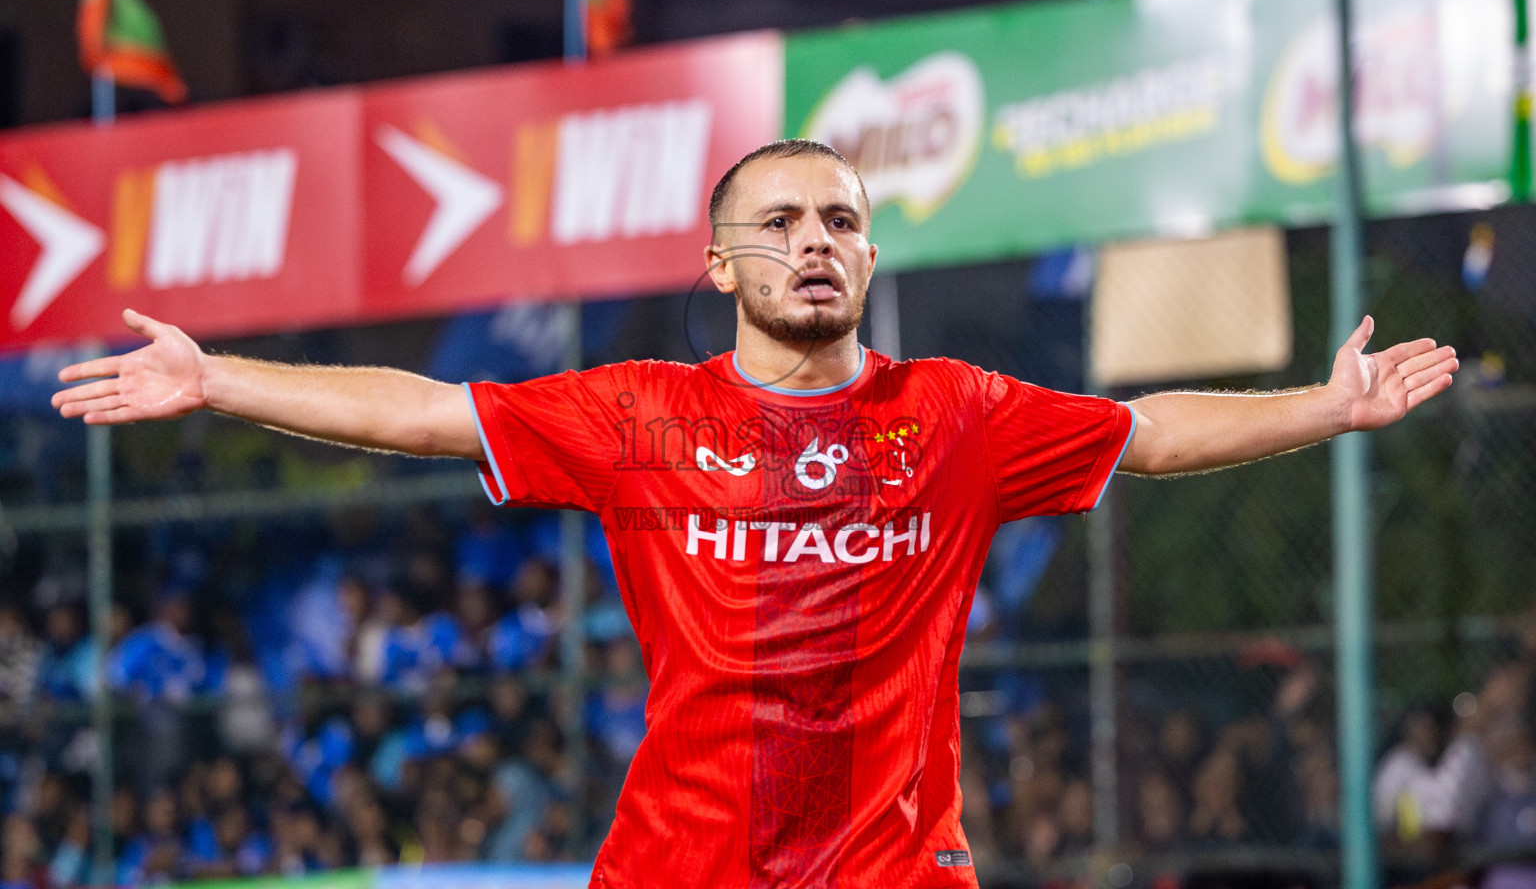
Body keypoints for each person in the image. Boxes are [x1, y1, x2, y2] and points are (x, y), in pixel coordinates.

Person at [51, 140, 1459, 889]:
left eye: (840, 221)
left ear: (871, 254)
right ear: (721, 264)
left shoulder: (956, 412)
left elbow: (1146, 434)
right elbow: (425, 412)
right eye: (779, 224)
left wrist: (1326, 407)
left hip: (897, 868)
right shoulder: (639, 413)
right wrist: (216, 379)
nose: (813, 244)